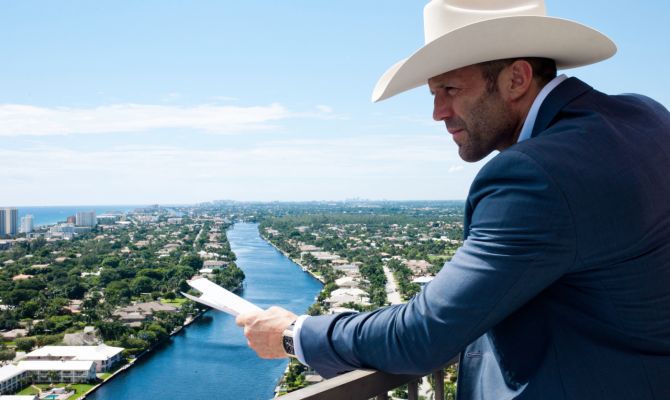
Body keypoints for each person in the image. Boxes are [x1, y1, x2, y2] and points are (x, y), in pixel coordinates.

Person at [236, 1, 670, 398]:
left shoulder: (535, 174)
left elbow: (421, 334)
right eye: (433, 94)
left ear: (516, 79)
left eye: (451, 89)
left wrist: (295, 334)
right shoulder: (646, 116)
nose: (438, 113)